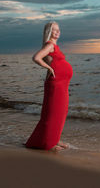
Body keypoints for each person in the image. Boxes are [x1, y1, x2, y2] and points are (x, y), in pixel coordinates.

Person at [24, 21, 73, 152]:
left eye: (58, 29)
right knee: (53, 114)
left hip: (62, 84)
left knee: (60, 113)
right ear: (49, 32)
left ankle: (54, 139)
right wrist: (49, 68)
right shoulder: (50, 45)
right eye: (54, 30)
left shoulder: (54, 45)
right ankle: (48, 143)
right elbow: (36, 57)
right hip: (56, 85)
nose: (57, 32)